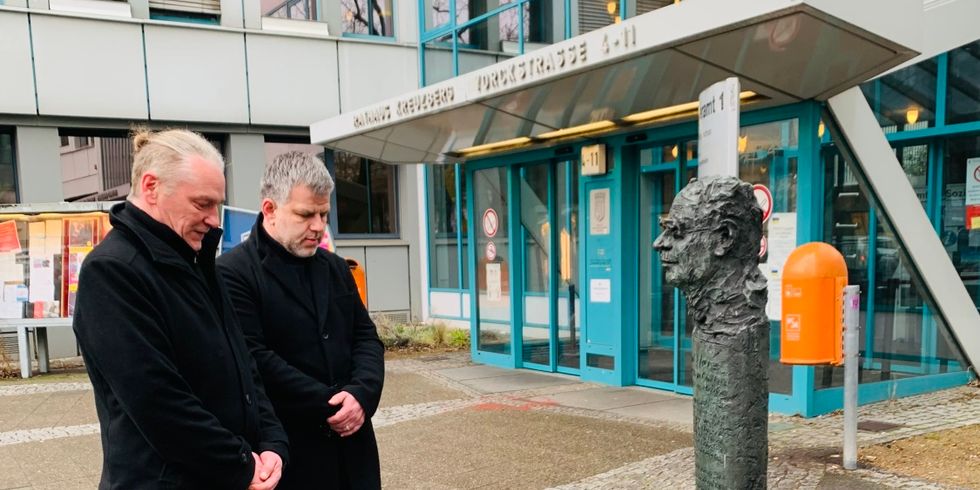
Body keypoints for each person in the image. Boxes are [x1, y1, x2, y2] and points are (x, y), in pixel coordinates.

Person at [73, 129, 288, 490]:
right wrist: (241, 464)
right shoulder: (112, 271)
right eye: (202, 204)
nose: (215, 219)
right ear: (151, 187)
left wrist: (271, 444)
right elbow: (157, 402)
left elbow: (244, 365)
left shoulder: (196, 261)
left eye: (217, 204)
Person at [217, 151, 385, 489]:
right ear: (270, 209)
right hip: (292, 450)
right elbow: (255, 358)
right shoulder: (233, 274)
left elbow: (366, 338)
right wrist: (334, 402)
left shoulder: (336, 268)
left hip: (355, 449)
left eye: (324, 214)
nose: (319, 226)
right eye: (306, 214)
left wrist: (361, 395)